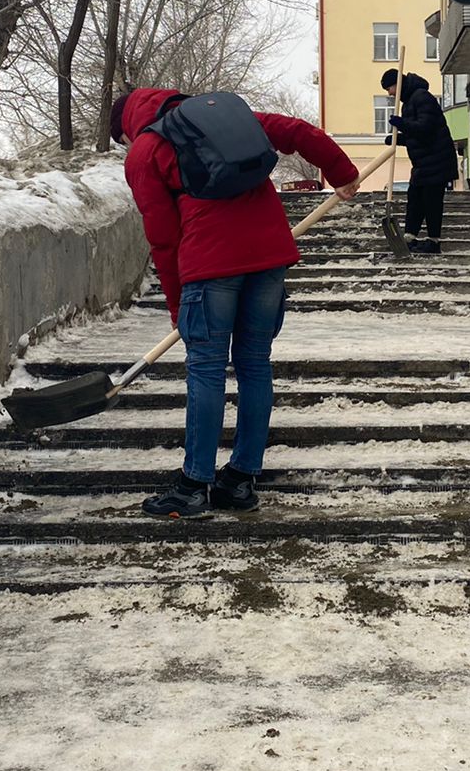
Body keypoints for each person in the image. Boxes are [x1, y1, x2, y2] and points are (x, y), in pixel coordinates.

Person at [113, 88, 361, 518]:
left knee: (206, 369)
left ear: (126, 125)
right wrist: (341, 171)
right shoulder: (227, 117)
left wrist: (178, 306)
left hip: (210, 267)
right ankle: (241, 481)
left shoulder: (146, 152)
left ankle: (193, 486)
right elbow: (296, 131)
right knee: (254, 364)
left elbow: (163, 238)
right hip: (268, 259)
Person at [381, 68, 457, 254]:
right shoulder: (409, 103)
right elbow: (416, 136)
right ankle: (410, 237)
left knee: (431, 201)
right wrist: (398, 139)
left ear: (397, 84)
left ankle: (433, 241)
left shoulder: (422, 97)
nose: (390, 93)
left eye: (389, 88)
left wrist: (402, 124)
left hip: (437, 160)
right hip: (423, 163)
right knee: (415, 198)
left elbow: (425, 129)